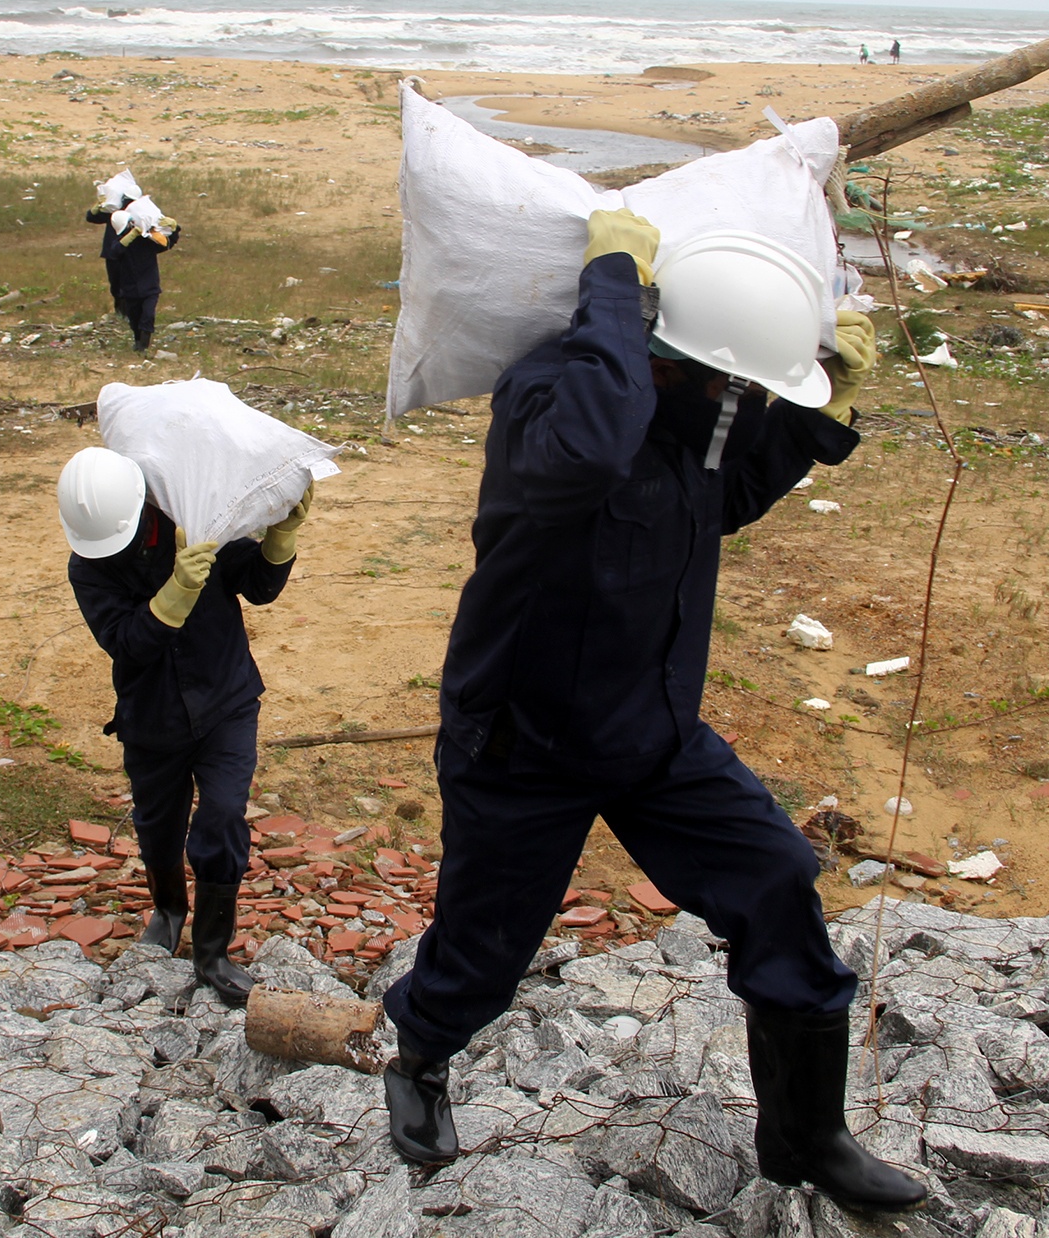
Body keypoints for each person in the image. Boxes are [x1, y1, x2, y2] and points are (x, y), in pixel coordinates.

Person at [380, 211, 926, 1212]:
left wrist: (822, 399)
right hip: (523, 742)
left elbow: (732, 490)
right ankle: (420, 1051)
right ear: (673, 351)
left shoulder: (695, 415)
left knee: (776, 882)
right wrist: (614, 283)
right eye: (737, 379)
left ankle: (808, 1136)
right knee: (483, 951)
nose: (743, 396)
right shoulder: (553, 395)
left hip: (654, 731)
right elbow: (588, 453)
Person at [60, 446, 313, 1005]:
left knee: (222, 816)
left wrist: (278, 540)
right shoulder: (88, 567)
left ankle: (213, 949)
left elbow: (260, 587)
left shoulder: (194, 515)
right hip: (153, 718)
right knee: (158, 824)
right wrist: (175, 591)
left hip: (226, 700)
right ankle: (169, 909)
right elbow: (127, 644)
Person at [87, 185, 180, 352]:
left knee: (147, 316)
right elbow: (114, 251)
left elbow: (165, 244)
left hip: (150, 286)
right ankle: (136, 338)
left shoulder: (145, 240)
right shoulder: (118, 241)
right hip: (130, 289)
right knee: (134, 317)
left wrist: (174, 228)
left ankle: (143, 344)